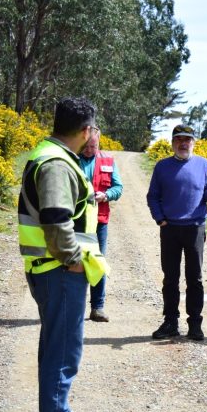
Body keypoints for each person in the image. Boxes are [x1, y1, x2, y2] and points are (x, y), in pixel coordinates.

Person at [18, 97, 108, 412]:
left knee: (64, 349)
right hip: (59, 271)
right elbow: (56, 221)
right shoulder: (56, 164)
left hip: (54, 270)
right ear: (85, 130)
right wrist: (72, 261)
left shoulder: (51, 155)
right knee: (60, 354)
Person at [147, 124, 207, 341]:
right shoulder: (162, 166)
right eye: (179, 139)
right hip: (169, 228)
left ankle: (195, 323)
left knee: (195, 278)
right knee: (170, 278)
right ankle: (170, 321)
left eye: (187, 140)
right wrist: (160, 218)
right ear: (172, 143)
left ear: (193, 143)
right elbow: (152, 196)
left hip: (195, 228)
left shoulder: (204, 164)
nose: (183, 143)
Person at [79, 129, 123, 322]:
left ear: (99, 144)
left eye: (93, 146)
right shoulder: (70, 159)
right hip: (76, 220)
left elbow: (118, 187)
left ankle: (98, 307)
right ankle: (74, 307)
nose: (89, 150)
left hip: (99, 221)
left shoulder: (108, 160)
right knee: (75, 262)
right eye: (86, 146)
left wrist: (106, 195)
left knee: (97, 261)